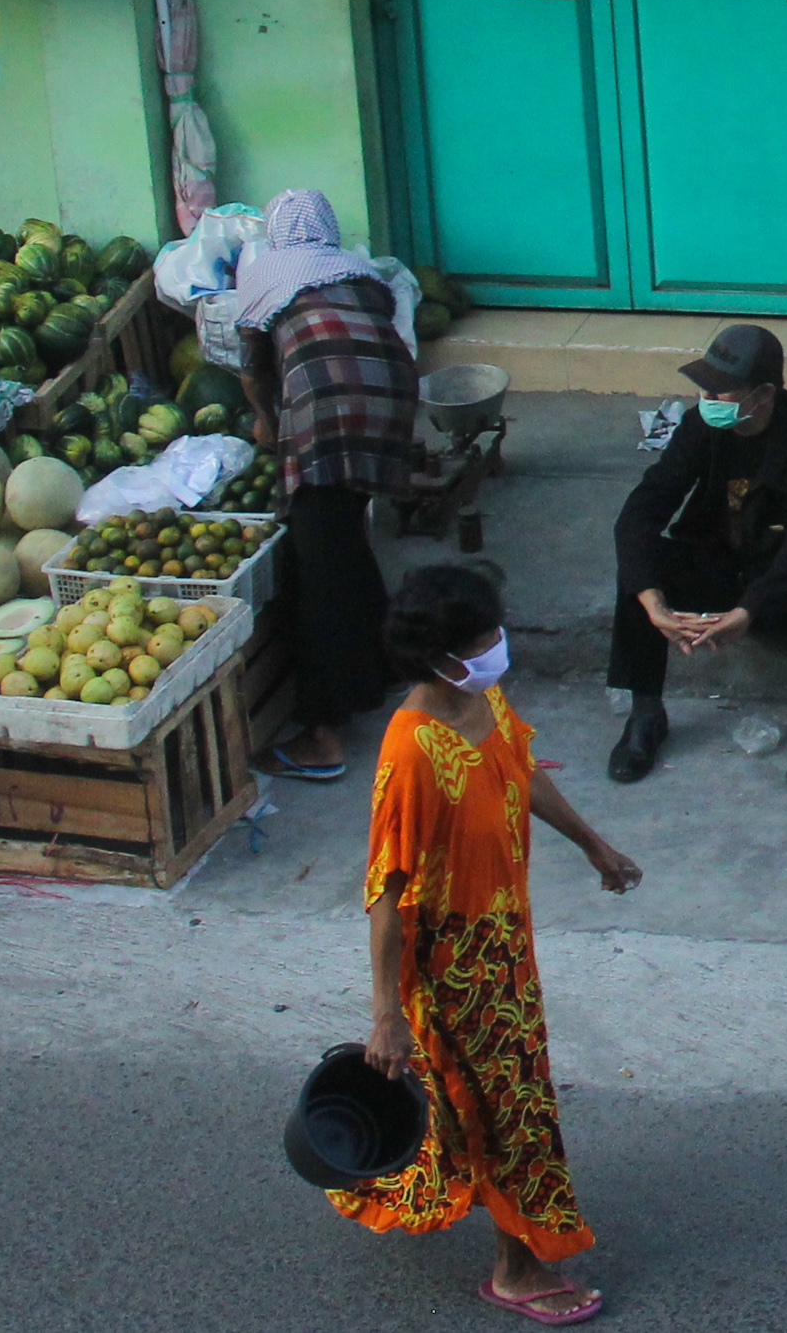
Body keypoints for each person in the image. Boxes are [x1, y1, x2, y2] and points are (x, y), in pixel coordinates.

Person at [338, 562, 639, 1325]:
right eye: (482, 641)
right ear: (438, 658)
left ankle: (396, 1172)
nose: (497, 649)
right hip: (451, 965)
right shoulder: (411, 752)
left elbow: (520, 772)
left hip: (507, 940)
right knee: (511, 1107)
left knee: (485, 1104)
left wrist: (593, 846)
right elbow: (385, 893)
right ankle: (516, 1265)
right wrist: (385, 1013)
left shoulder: (483, 696)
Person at [604, 323, 787, 787]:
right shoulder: (702, 425)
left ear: (763, 394)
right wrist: (652, 601)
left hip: (778, 575)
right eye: (707, 390)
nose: (710, 400)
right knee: (643, 562)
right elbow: (643, 509)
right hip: (719, 559)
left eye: (723, 392)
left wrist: (750, 608)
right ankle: (645, 712)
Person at [237, 188, 418, 782]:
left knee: (317, 568)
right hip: (390, 397)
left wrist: (267, 420)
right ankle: (386, 661)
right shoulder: (360, 274)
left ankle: (323, 734)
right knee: (343, 532)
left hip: (327, 412)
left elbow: (252, 369)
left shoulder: (267, 276)